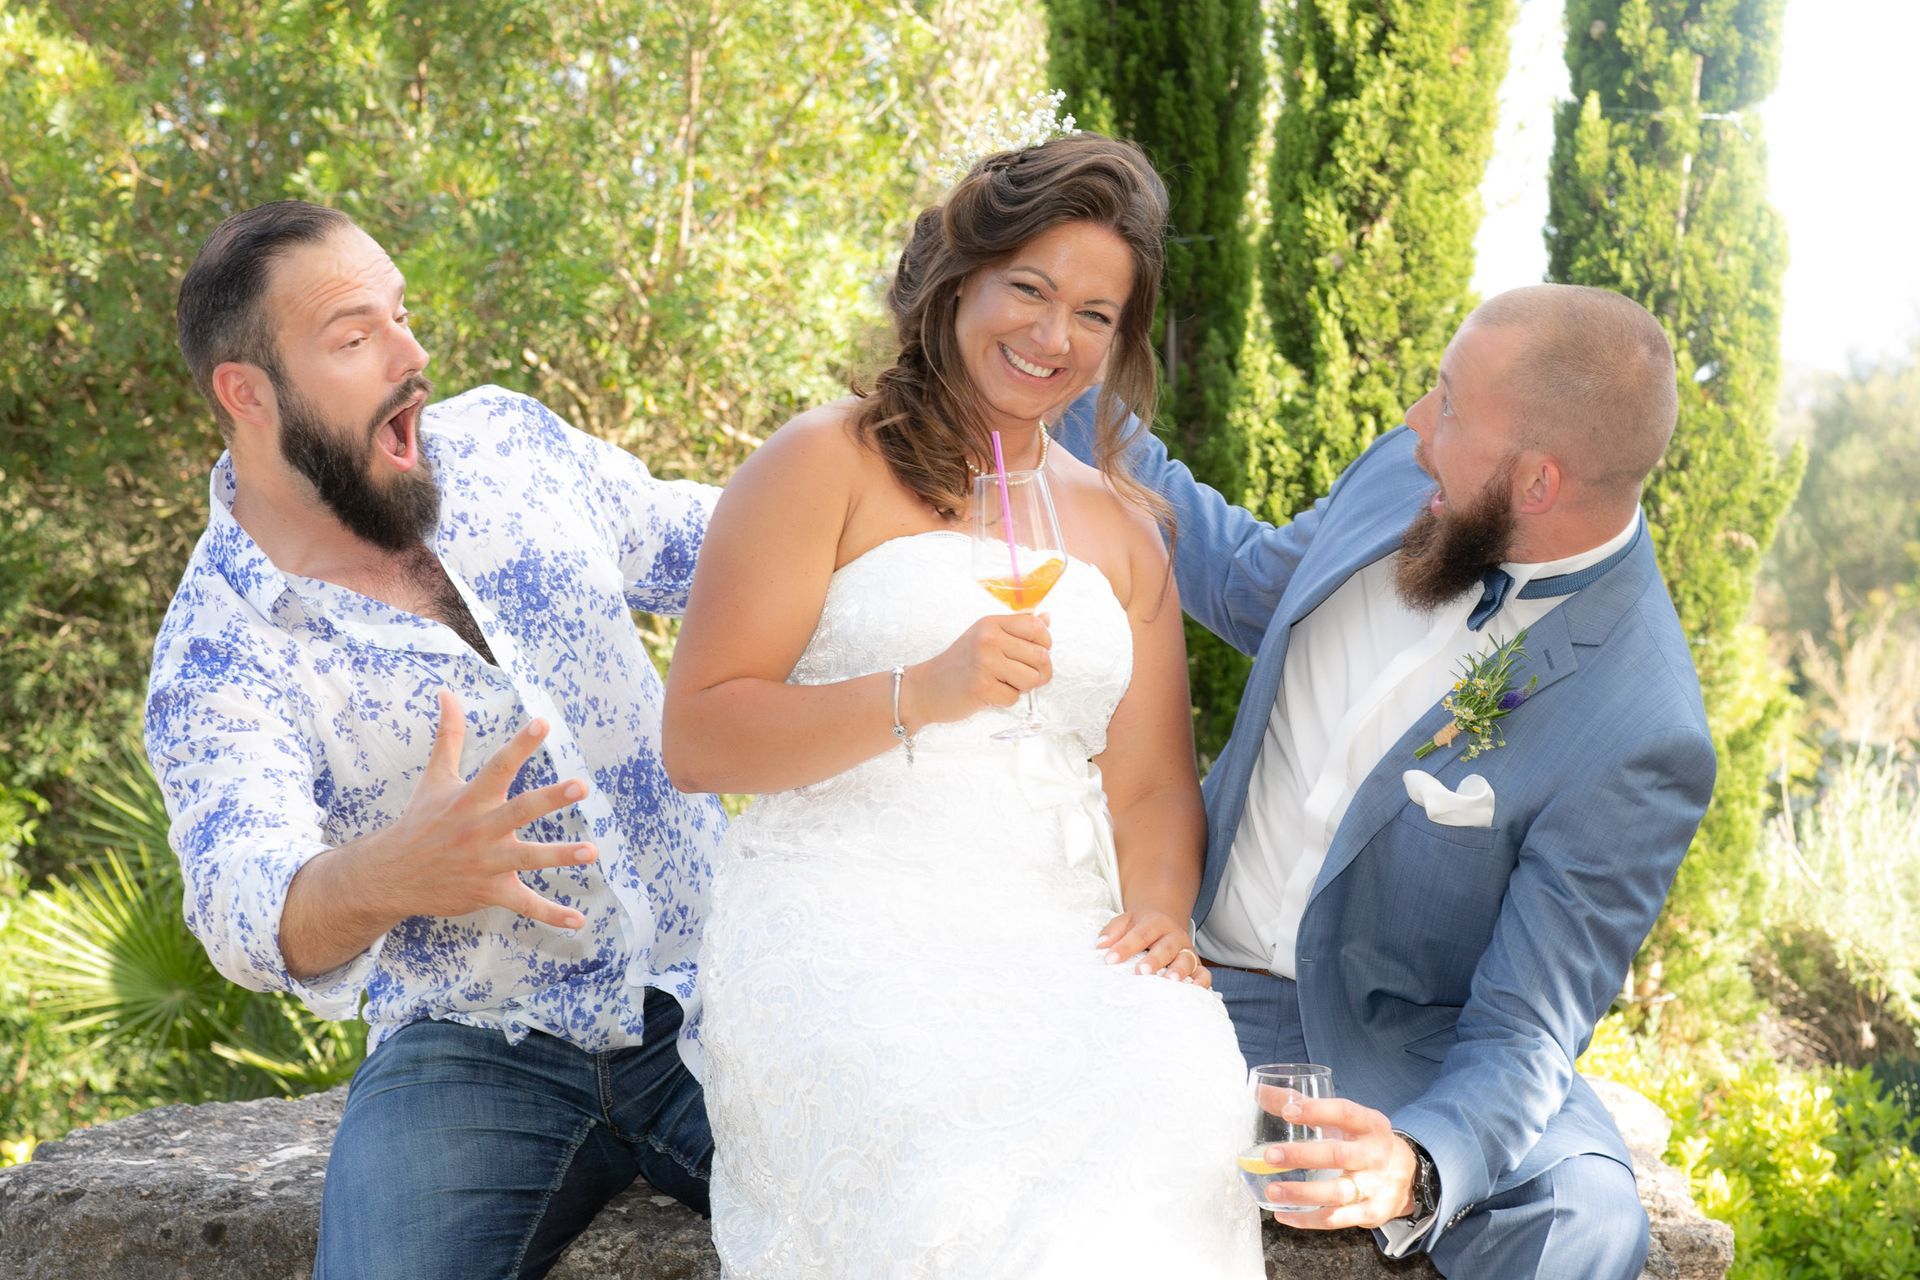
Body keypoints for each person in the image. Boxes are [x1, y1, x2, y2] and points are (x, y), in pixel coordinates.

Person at [661, 134, 1262, 1276]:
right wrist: (917, 692)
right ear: (958, 281)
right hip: (842, 924)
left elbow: (1149, 786)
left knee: (1181, 1094)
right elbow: (699, 737)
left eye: (1094, 314)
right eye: (1029, 289)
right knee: (947, 1162)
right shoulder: (821, 464)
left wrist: (1161, 914)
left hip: (1061, 933)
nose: (1053, 336)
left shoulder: (1126, 530)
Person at [1057, 282, 1716, 1279]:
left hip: (1397, 1046)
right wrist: (1062, 386)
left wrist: (1417, 1163)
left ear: (1537, 480)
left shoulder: (1644, 725)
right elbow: (1250, 581)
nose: (1414, 422)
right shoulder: (1409, 474)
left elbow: (1528, 1024)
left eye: (1447, 404)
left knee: (1586, 1220)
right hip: (1193, 961)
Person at [147, 200, 723, 1280]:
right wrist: (391, 873)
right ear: (246, 391)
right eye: (354, 336)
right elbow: (241, 903)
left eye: (401, 315)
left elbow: (721, 548)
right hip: (475, 1047)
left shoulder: (509, 445)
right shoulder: (217, 647)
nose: (409, 356)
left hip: (720, 978)